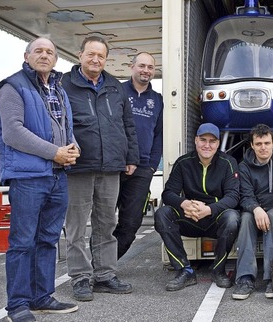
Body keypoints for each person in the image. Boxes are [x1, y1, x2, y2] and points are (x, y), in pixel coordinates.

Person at [0, 38, 80, 322]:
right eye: (39, 51)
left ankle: (42, 297)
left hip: (57, 177)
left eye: (50, 52)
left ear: (56, 59)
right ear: (26, 56)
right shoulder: (12, 87)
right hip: (29, 178)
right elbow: (13, 133)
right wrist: (55, 152)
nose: (45, 55)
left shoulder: (58, 88)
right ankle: (17, 305)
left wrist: (72, 147)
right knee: (22, 242)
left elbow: (66, 126)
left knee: (48, 240)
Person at [61, 36, 139, 302]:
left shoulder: (116, 86)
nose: (96, 60)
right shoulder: (63, 85)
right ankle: (81, 278)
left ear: (107, 59)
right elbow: (56, 124)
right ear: (80, 54)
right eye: (91, 54)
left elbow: (128, 125)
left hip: (111, 166)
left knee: (106, 224)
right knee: (76, 227)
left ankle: (105, 275)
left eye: (101, 56)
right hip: (78, 167)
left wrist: (131, 157)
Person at [154, 123, 240, 291]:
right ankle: (184, 270)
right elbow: (168, 193)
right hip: (190, 218)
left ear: (218, 143)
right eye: (203, 140)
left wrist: (209, 209)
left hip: (215, 219)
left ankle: (219, 270)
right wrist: (185, 204)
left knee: (232, 217)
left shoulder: (228, 163)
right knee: (162, 214)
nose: (207, 145)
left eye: (212, 141)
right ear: (195, 140)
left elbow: (233, 197)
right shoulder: (183, 163)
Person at [232, 124, 273, 300]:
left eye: (267, 143)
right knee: (246, 219)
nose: (263, 147)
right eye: (259, 143)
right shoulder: (244, 166)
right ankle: (245, 278)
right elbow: (244, 195)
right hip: (254, 208)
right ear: (252, 145)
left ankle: (272, 277)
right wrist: (256, 209)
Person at [113, 52, 163, 259]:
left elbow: (159, 135)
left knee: (131, 222)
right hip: (114, 166)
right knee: (104, 221)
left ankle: (106, 266)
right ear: (131, 67)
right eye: (142, 66)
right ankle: (96, 268)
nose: (146, 71)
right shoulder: (116, 92)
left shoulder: (157, 100)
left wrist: (152, 165)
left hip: (143, 169)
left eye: (150, 67)